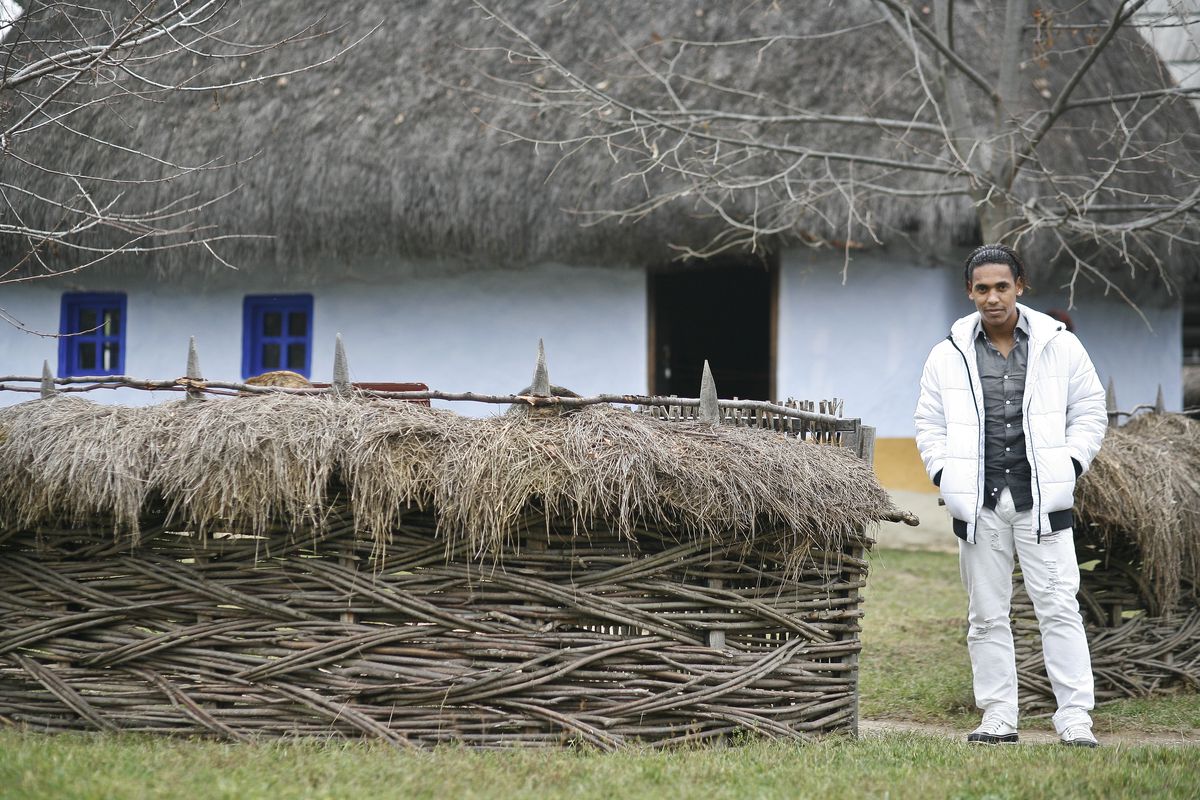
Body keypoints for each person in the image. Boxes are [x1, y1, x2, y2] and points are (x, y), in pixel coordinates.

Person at [913, 244, 1107, 747]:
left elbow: (1090, 410)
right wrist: (944, 473)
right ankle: (998, 716)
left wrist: (1069, 465)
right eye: (982, 289)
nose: (993, 298)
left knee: (1059, 608)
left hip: (1042, 503)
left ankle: (1074, 718)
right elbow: (929, 423)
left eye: (1002, 286)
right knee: (985, 616)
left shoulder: (1060, 345)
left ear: (1020, 286)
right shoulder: (947, 354)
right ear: (969, 292)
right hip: (979, 506)